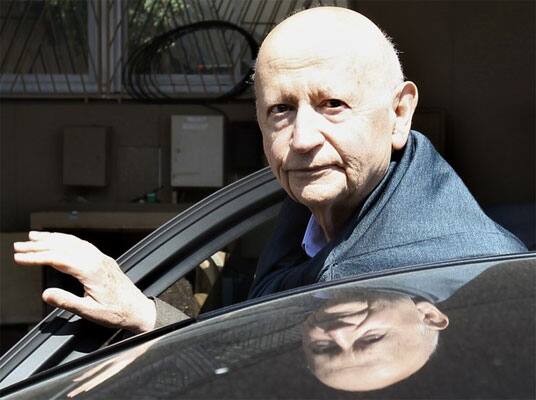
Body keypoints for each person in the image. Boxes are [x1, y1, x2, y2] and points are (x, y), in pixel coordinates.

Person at [13, 7, 526, 333]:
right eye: (281, 110)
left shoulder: (430, 280)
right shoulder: (319, 207)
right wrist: (142, 312)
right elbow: (250, 349)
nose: (302, 138)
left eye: (333, 104)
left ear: (399, 113)